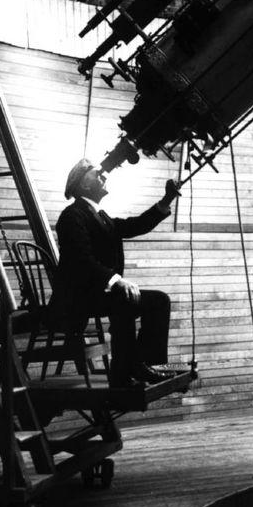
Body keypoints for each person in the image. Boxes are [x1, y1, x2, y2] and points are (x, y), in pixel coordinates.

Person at [47, 158, 181, 388]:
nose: (103, 175)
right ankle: (124, 370)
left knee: (159, 301)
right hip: (75, 300)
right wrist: (115, 280)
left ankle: (150, 364)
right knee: (123, 298)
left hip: (94, 295)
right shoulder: (72, 216)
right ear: (84, 185)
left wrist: (167, 199)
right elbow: (82, 260)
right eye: (95, 174)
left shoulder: (100, 216)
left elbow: (136, 225)